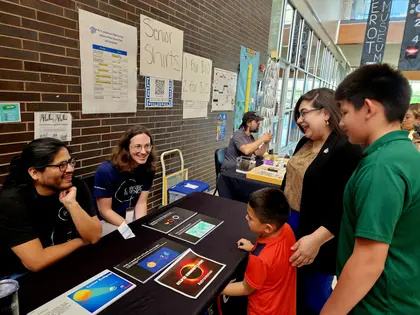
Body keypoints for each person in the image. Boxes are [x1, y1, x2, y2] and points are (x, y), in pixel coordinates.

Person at [321, 64, 420, 315]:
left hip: (376, 304)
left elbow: (367, 261)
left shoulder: (381, 166)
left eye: (344, 112)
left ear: (368, 108)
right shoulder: (406, 152)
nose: (341, 122)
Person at [280, 88, 362, 314]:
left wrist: (316, 240)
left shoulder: (346, 148)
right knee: (293, 285)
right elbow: (289, 182)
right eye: (298, 114)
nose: (299, 120)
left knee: (315, 292)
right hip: (290, 223)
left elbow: (346, 204)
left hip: (319, 235)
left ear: (326, 113)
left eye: (304, 113)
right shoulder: (304, 143)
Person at [0, 138, 102, 278]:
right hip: (18, 273)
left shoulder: (75, 186)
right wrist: (80, 241)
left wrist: (72, 204)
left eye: (70, 162)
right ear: (35, 173)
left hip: (58, 260)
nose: (71, 169)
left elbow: (94, 236)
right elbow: (36, 262)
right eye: (62, 165)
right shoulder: (12, 201)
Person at [221, 187, 296, 315]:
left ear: (267, 228)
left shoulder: (259, 258)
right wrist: (253, 247)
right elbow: (275, 260)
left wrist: (218, 289)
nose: (246, 218)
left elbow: (245, 288)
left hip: (263, 310)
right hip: (285, 306)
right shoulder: (287, 229)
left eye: (250, 217)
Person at [94, 126, 156, 236]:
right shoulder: (106, 170)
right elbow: (105, 211)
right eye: (137, 147)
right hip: (107, 220)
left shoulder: (148, 169)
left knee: (147, 235)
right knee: (129, 240)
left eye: (147, 146)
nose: (143, 151)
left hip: (130, 218)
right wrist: (130, 228)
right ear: (126, 148)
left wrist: (141, 225)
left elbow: (141, 202)